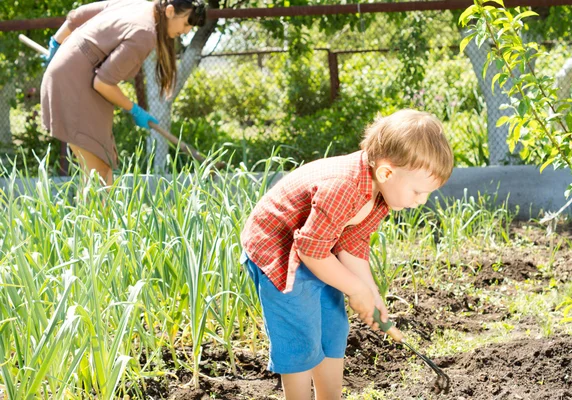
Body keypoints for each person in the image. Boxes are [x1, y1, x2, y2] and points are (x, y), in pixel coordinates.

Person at [240, 109, 454, 400]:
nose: (421, 201)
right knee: (301, 339)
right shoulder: (344, 186)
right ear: (386, 172)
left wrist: (370, 293)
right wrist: (355, 289)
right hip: (281, 251)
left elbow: (352, 243)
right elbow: (309, 249)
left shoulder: (379, 195)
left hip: (317, 248)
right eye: (418, 191)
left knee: (334, 329)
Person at [41, 0, 205, 186]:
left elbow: (77, 15)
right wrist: (134, 110)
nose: (186, 31)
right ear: (169, 11)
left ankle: (95, 214)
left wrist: (56, 42)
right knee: (99, 174)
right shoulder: (145, 33)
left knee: (99, 172)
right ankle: (95, 215)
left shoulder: (137, 5)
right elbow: (103, 83)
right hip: (74, 86)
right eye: (185, 23)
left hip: (75, 80)